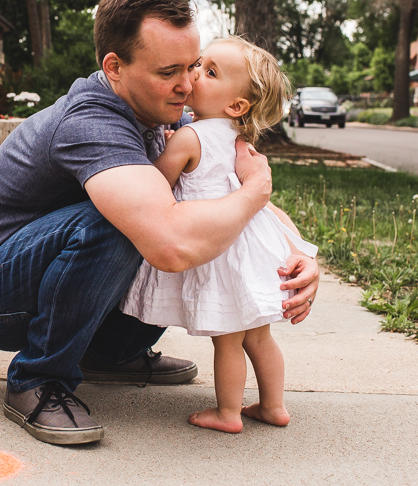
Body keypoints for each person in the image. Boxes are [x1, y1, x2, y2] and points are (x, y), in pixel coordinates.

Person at [0, 0, 320, 445]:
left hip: (48, 279)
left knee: (172, 213)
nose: (188, 83)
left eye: (194, 66)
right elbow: (172, 245)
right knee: (131, 224)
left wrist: (300, 251)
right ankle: (38, 378)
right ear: (114, 67)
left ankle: (108, 354)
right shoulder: (91, 122)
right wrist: (254, 194)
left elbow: (234, 193)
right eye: (169, 71)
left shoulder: (171, 110)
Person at [121, 37, 317, 434]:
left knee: (228, 340)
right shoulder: (238, 140)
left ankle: (227, 413)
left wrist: (163, 149)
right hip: (249, 246)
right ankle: (273, 406)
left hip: (219, 249)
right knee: (258, 338)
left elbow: (155, 184)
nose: (194, 74)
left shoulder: (190, 138)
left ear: (236, 105)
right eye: (199, 64)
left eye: (209, 72)